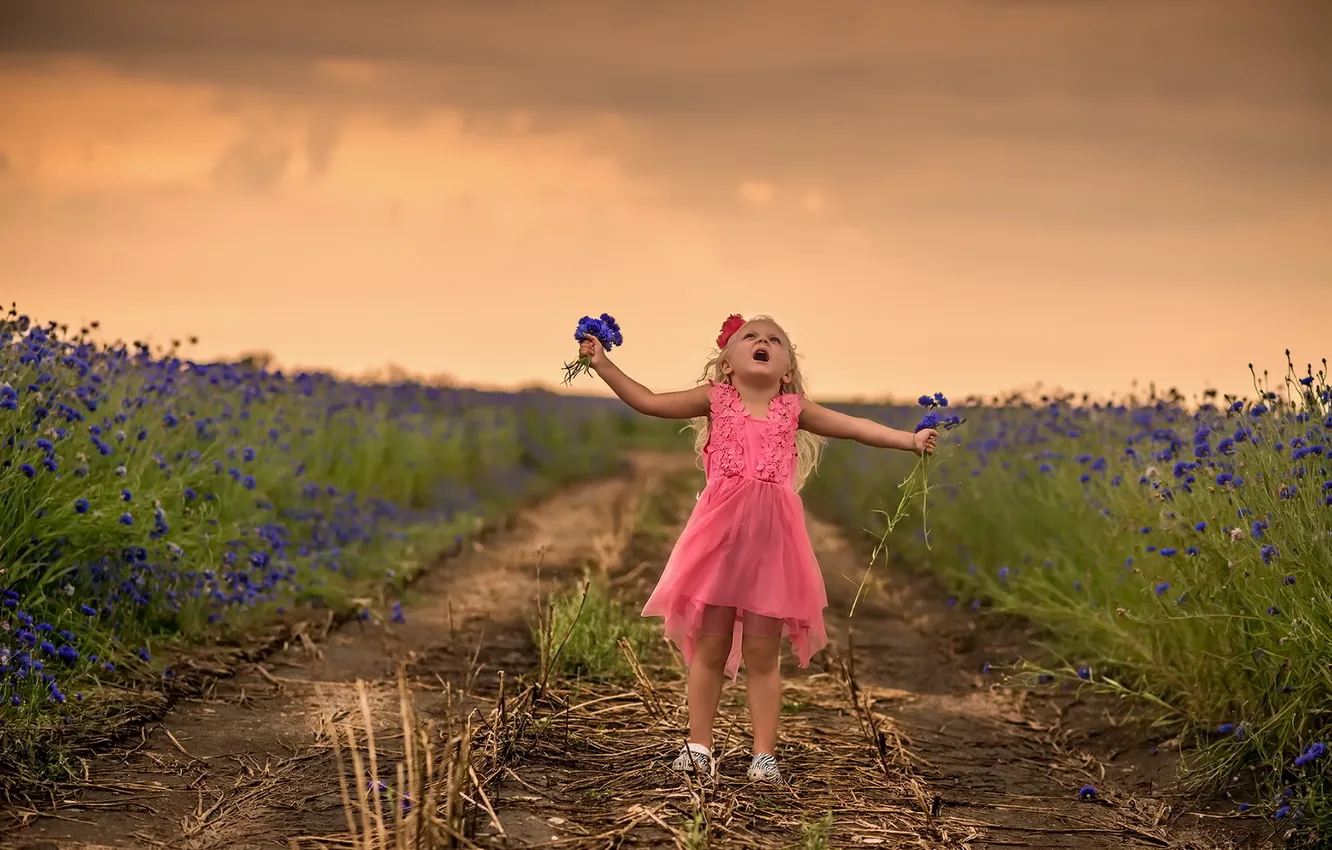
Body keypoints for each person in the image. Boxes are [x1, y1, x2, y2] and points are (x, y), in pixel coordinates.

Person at [576, 313, 937, 783]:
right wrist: (602, 364)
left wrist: (909, 440)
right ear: (727, 364)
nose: (763, 341)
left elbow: (853, 426)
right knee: (711, 648)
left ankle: (763, 755)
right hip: (720, 546)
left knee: (764, 658)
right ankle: (699, 745)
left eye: (775, 340)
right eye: (751, 337)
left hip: (772, 549)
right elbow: (647, 401)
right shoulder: (715, 399)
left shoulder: (794, 409)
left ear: (786, 370)